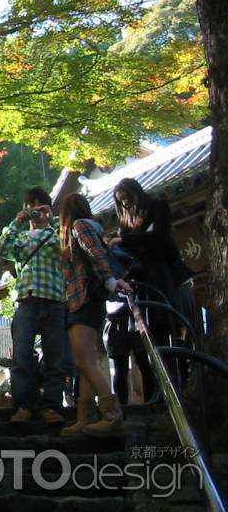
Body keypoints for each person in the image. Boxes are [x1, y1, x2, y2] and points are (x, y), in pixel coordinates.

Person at [57, 193, 133, 436]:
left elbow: (96, 255)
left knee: (83, 360)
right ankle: (85, 417)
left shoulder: (79, 226)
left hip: (85, 299)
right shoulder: (87, 229)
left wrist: (110, 281)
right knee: (85, 361)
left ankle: (112, 414)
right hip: (83, 300)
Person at [111, 177, 195, 393]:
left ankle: (183, 383)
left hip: (168, 278)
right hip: (145, 284)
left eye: (127, 199)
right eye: (121, 202)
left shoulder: (157, 207)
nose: (126, 205)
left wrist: (126, 241)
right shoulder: (125, 225)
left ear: (136, 193)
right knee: (154, 337)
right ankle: (165, 388)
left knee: (175, 331)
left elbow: (161, 236)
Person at [0, 187, 66, 425]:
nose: (35, 211)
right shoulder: (21, 238)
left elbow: (68, 246)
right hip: (25, 300)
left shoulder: (56, 234)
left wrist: (52, 220)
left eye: (40, 206)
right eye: (31, 206)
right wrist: (16, 223)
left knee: (55, 358)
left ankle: (52, 406)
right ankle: (24, 405)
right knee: (22, 357)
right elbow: (1, 250)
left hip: (54, 299)